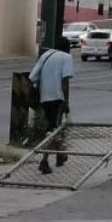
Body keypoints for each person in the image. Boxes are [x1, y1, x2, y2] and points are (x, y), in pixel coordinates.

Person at [29, 37, 74, 175]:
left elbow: (32, 77)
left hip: (44, 98)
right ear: (67, 48)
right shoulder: (66, 57)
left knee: (55, 127)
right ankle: (44, 160)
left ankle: (61, 155)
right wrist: (66, 102)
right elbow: (65, 81)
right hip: (57, 98)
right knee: (53, 129)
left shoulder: (46, 55)